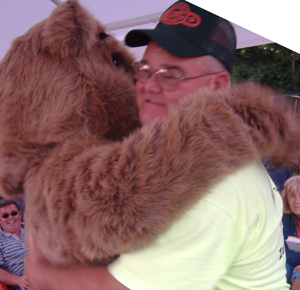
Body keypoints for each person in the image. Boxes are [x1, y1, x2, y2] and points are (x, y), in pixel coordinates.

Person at [25, 1, 289, 289]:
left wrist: (42, 274)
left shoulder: (209, 183)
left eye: (171, 76)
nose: (148, 85)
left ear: (217, 85)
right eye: (145, 69)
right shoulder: (204, 146)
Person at [0, 199, 29, 290]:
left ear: (20, 214)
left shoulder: (33, 229)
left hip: (48, 273)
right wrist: (18, 280)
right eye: (5, 215)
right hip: (24, 282)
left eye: (14, 213)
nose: (10, 217)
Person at [282, 176, 300, 289]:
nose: (297, 201)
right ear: (287, 200)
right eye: (292, 196)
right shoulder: (284, 219)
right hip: (289, 264)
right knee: (278, 270)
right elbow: (281, 252)